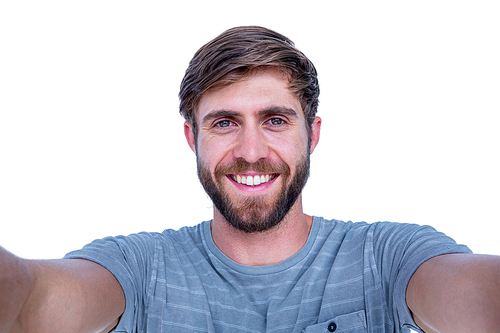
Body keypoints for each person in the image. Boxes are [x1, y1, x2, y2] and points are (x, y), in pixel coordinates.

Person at [1, 26, 499, 333]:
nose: (251, 152)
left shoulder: (388, 256)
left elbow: (476, 298)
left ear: (313, 134)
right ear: (192, 139)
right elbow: (32, 303)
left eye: (276, 120)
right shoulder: (137, 269)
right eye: (224, 122)